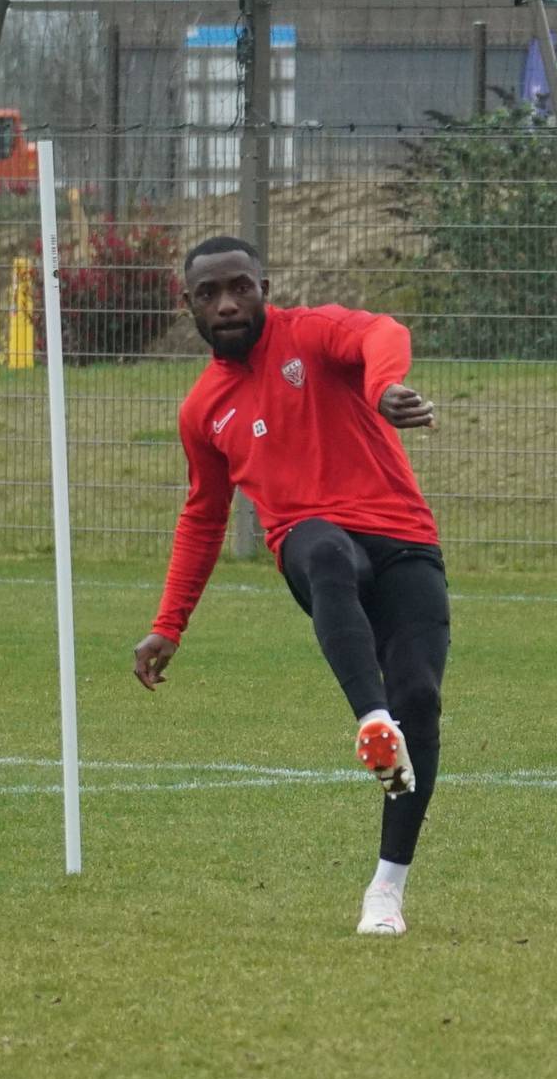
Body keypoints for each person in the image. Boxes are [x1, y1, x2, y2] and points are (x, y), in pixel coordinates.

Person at [132, 236, 448, 938]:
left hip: (404, 539)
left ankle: (386, 890)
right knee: (325, 547)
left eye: (239, 287)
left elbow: (382, 332)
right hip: (313, 549)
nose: (227, 304)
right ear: (188, 306)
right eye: (209, 294)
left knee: (422, 701)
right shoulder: (203, 410)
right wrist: (169, 623)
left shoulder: (311, 334)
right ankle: (372, 720)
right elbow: (203, 516)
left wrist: (382, 388)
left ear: (264, 289)